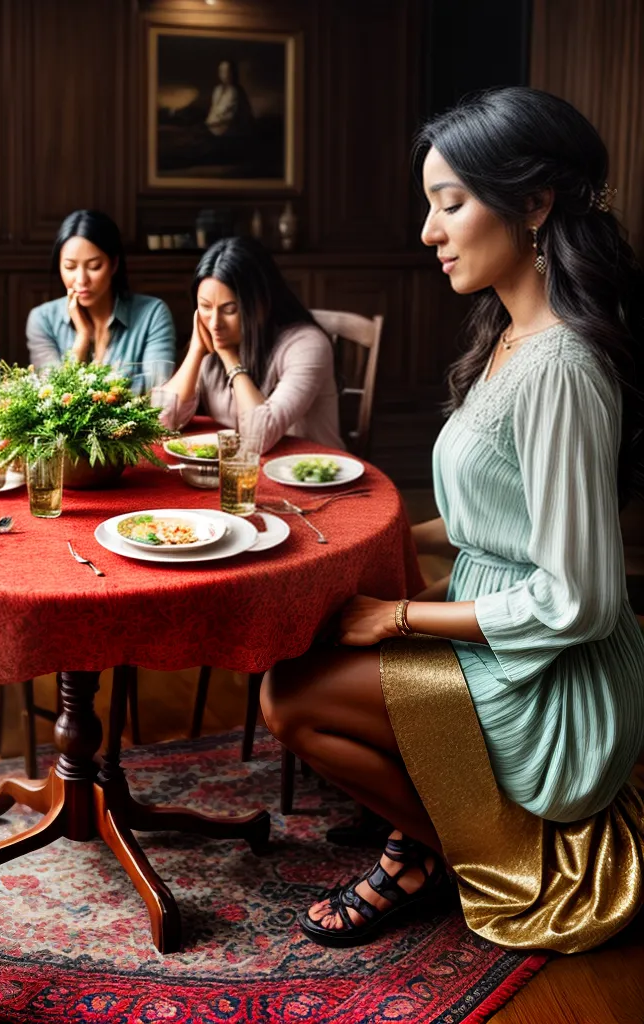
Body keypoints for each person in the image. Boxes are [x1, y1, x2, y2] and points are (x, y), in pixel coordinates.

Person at [261, 86, 644, 952]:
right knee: (307, 647)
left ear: (535, 203)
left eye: (450, 204)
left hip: (551, 677)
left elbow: (577, 598)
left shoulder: (561, 368)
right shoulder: (506, 335)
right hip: (497, 630)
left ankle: (455, 852)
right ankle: (426, 819)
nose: (429, 231)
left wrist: (393, 613)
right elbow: (494, 521)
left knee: (291, 697)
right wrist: (363, 536)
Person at [162, 236, 343, 452]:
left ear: (261, 304)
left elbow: (258, 437)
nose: (215, 323)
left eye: (229, 309)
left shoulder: (307, 345)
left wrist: (230, 359)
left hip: (313, 474)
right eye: (206, 307)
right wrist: (196, 351)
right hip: (248, 472)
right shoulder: (211, 341)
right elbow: (161, 422)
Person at [26, 210, 176, 391]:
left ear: (113, 265)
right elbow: (53, 400)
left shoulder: (152, 314)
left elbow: (157, 395)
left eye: (94, 266)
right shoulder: (43, 319)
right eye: (70, 267)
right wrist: (82, 339)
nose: (81, 280)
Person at [205, 59, 254, 138]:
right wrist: (209, 122)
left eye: (227, 71)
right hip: (215, 130)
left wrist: (213, 122)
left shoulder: (237, 91)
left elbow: (232, 116)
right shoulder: (217, 90)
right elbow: (213, 110)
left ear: (233, 73)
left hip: (231, 133)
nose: (224, 74)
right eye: (221, 71)